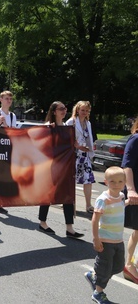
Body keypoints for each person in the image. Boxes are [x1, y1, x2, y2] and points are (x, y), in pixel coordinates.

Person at [38, 101, 83, 238]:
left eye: (65, 108)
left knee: (67, 194)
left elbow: (69, 147)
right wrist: (49, 133)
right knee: (48, 194)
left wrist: (75, 145)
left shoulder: (66, 127)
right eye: (61, 109)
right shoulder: (47, 127)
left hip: (65, 166)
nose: (64, 111)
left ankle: (69, 228)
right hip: (50, 166)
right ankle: (42, 222)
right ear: (54, 112)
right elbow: (41, 146)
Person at [84, 166, 129, 304]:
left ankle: (94, 275)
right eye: (113, 181)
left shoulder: (121, 196)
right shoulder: (103, 199)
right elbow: (95, 219)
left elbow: (120, 206)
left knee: (118, 266)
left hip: (118, 240)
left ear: (125, 182)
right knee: (105, 267)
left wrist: (129, 202)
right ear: (105, 182)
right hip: (105, 240)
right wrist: (96, 239)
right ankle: (98, 293)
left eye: (120, 181)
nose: (117, 185)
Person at [66, 101, 95, 213]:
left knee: (88, 180)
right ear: (77, 110)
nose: (85, 112)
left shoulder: (88, 123)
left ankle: (88, 205)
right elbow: (65, 138)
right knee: (72, 179)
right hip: (74, 155)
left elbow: (89, 138)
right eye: (83, 110)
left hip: (85, 155)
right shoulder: (71, 122)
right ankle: (70, 203)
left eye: (87, 111)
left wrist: (90, 148)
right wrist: (76, 144)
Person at [121, 119, 138, 284]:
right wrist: (131, 190)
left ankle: (132, 264)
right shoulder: (136, 139)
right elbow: (127, 166)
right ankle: (129, 264)